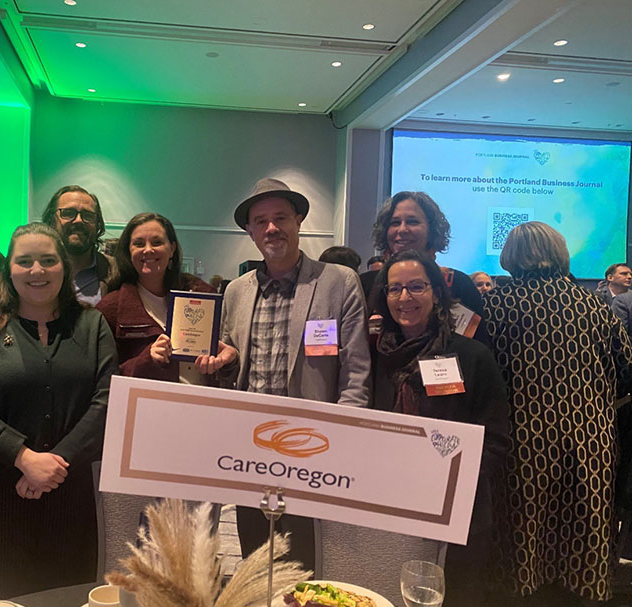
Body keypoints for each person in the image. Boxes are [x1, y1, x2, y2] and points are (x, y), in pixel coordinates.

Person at [196, 177, 371, 571]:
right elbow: (234, 363)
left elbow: (356, 371)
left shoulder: (338, 282)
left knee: (306, 561)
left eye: (280, 218)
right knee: (256, 560)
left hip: (311, 447)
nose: (271, 228)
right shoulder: (237, 291)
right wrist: (223, 361)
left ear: (299, 220)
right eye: (261, 221)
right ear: (250, 231)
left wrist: (343, 439)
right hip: (248, 450)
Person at [0, 222, 116, 596]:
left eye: (47, 260)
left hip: (76, 493)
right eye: (24, 261)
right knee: (7, 596)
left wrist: (55, 463)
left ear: (64, 267)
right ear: (9, 269)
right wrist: (24, 457)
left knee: (74, 593)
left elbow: (107, 402)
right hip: (3, 491)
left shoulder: (93, 324)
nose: (36, 271)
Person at [484, 222, 632, 604]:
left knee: (524, 534)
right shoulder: (595, 305)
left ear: (510, 256)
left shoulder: (497, 304)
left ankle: (522, 592)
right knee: (582, 533)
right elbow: (626, 367)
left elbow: (484, 375)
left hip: (524, 441)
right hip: (590, 439)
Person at [370, 250, 508, 606]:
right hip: (388, 506)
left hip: (456, 512)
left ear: (436, 293)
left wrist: (453, 485)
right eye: (395, 288)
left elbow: (496, 440)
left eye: (416, 287)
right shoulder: (374, 359)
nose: (405, 298)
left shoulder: (471, 356)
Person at [97, 212, 214, 384]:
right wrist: (146, 360)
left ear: (172, 249)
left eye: (157, 242)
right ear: (128, 252)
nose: (148, 249)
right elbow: (104, 378)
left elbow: (225, 356)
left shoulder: (203, 296)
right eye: (138, 244)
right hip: (146, 406)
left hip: (203, 403)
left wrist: (225, 360)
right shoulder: (111, 308)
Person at [362, 191, 487, 342]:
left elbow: (478, 348)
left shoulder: (459, 285)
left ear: (432, 230)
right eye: (394, 223)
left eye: (412, 222)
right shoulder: (365, 286)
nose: (402, 230)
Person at [42, 184, 115, 305]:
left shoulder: (116, 272)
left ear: (98, 224)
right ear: (51, 220)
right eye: (68, 213)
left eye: (88, 215)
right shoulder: (30, 270)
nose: (79, 220)